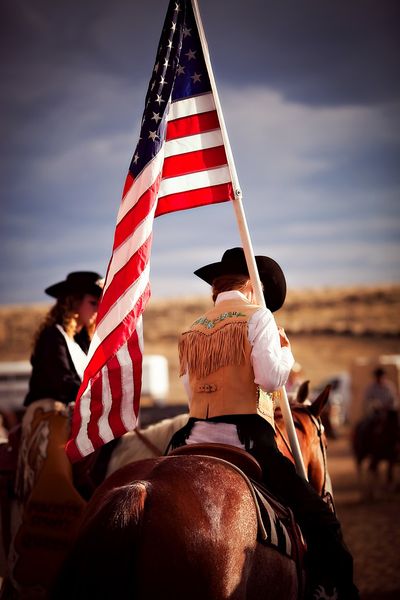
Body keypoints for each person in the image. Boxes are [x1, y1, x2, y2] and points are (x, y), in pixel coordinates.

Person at [171, 247, 359, 600]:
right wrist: (284, 350)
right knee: (323, 522)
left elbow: (188, 390)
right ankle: (329, 590)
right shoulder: (259, 318)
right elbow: (272, 379)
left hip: (192, 438)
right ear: (251, 284)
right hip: (246, 440)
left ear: (217, 286)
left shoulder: (191, 329)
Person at [3, 271, 103, 599]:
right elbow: (62, 381)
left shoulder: (81, 340)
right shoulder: (52, 336)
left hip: (73, 412)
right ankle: (48, 527)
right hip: (48, 415)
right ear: (73, 302)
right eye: (93, 301)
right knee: (54, 471)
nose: (97, 307)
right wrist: (93, 395)